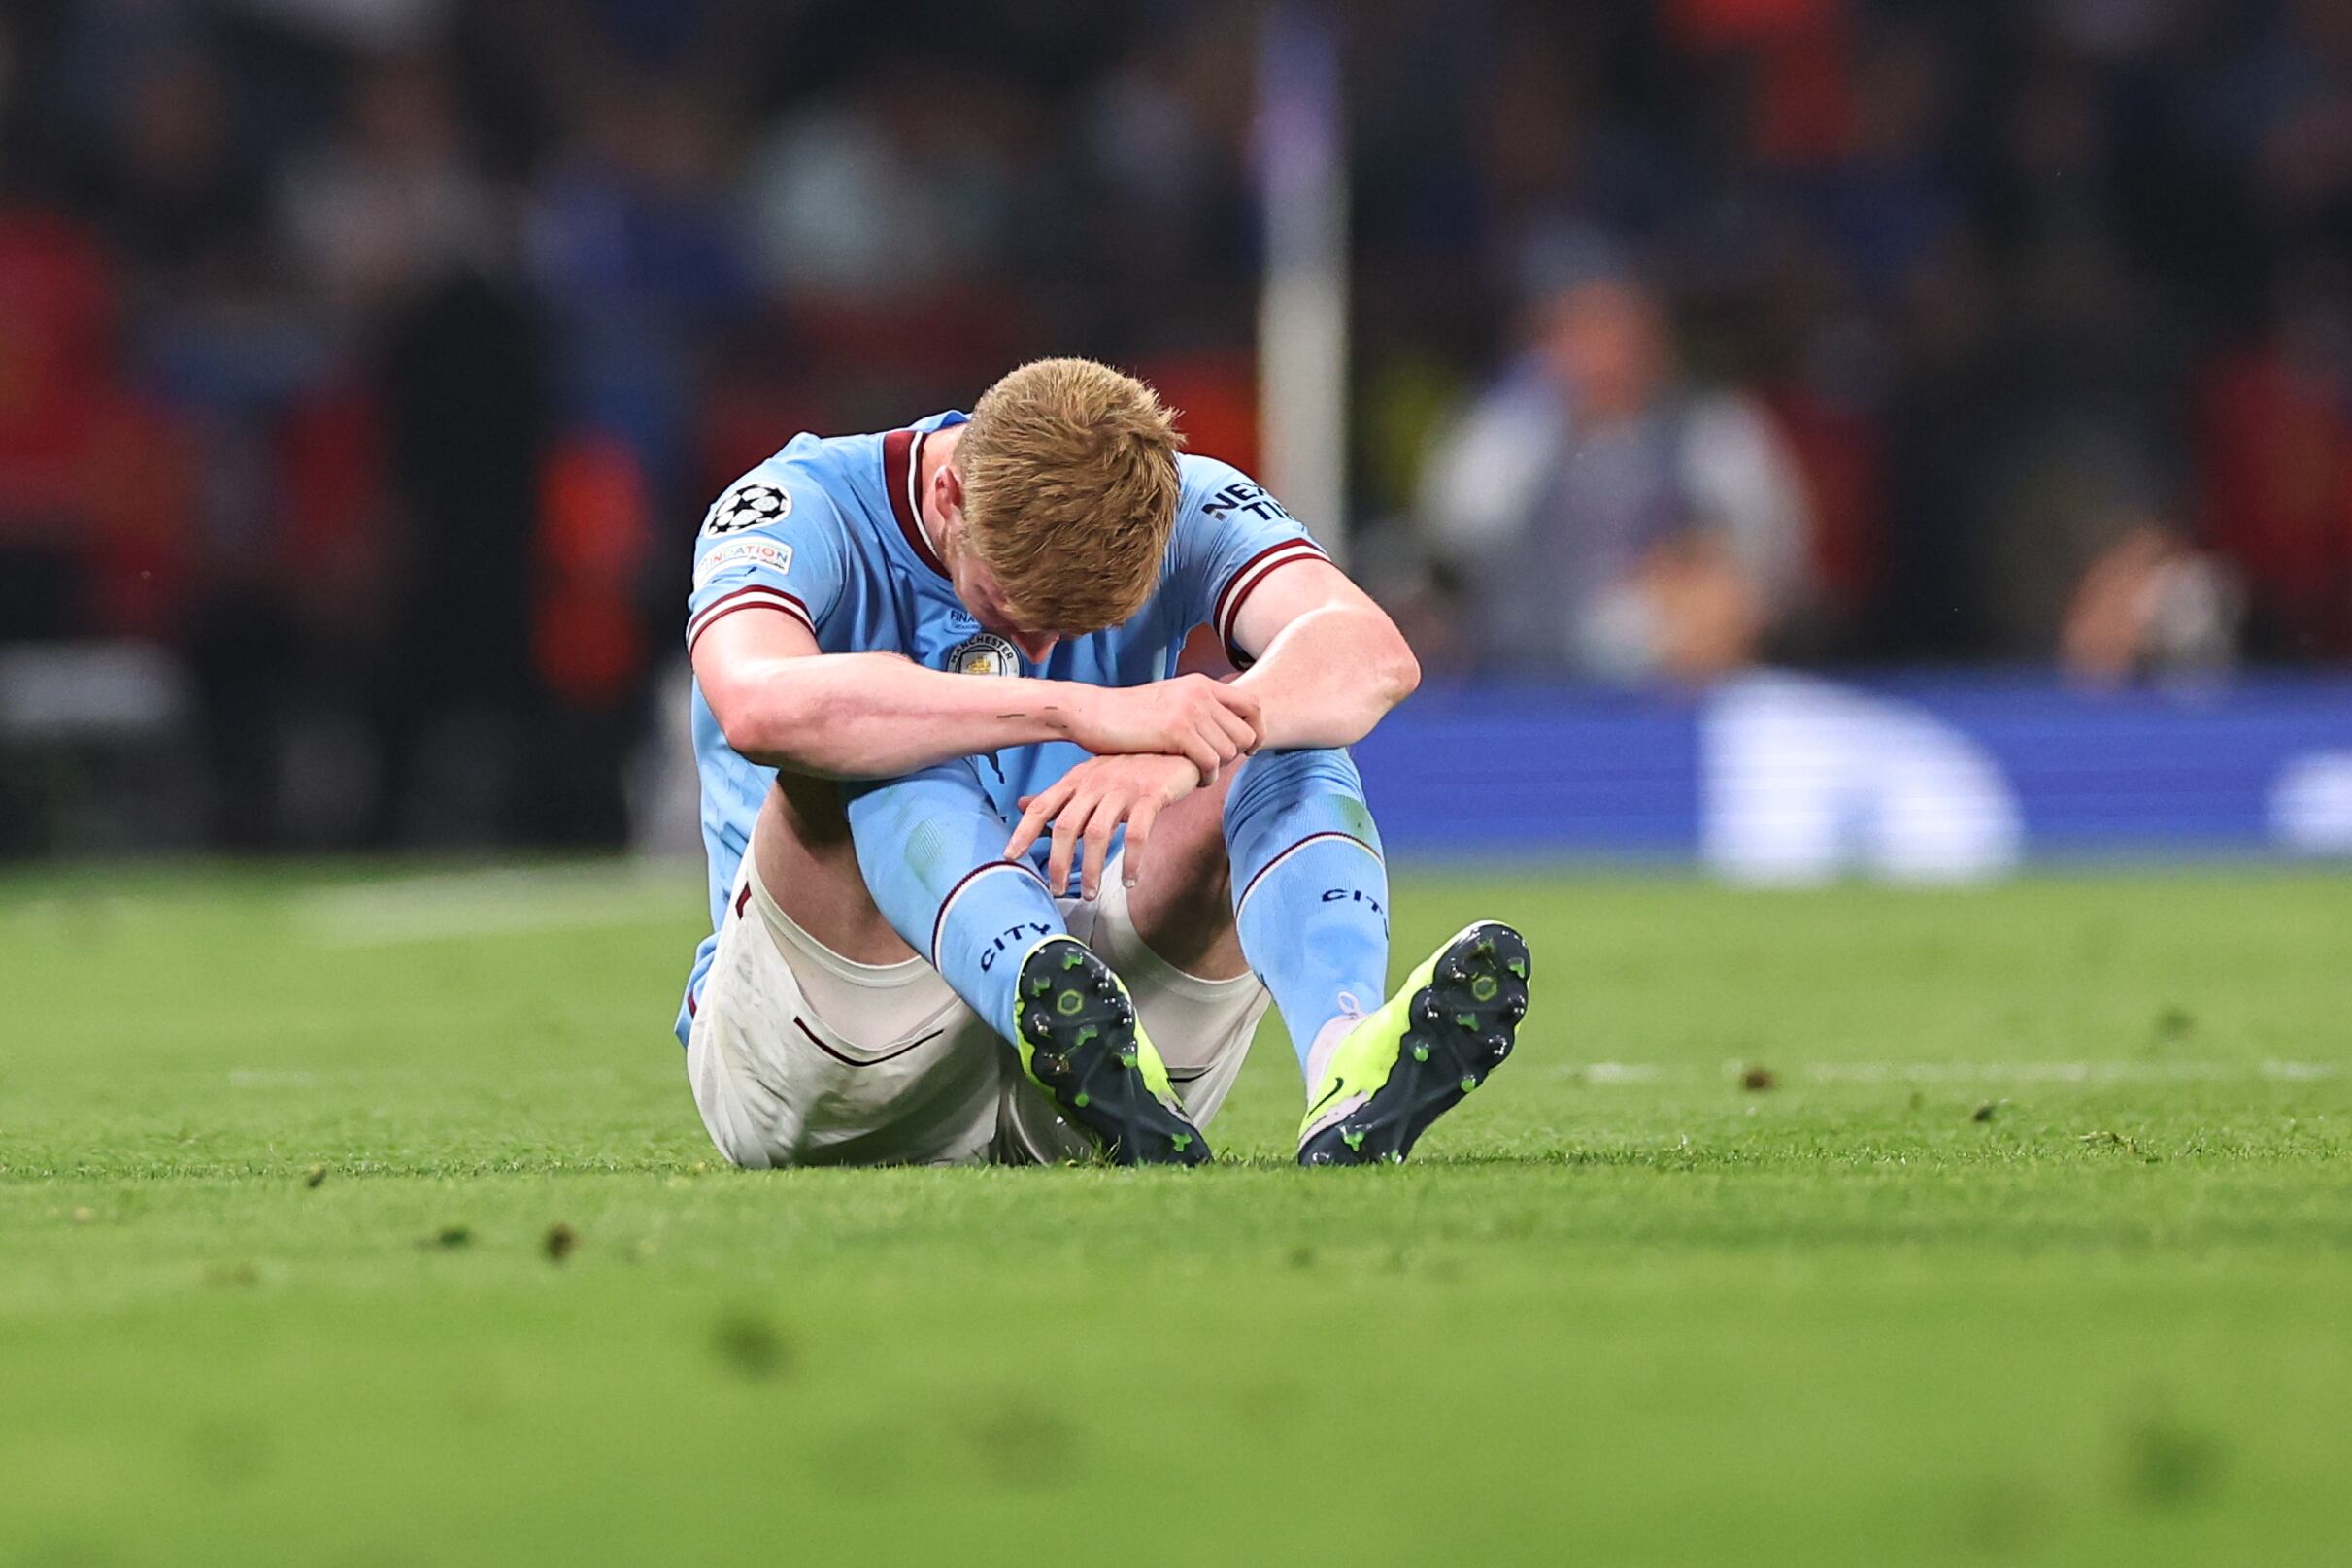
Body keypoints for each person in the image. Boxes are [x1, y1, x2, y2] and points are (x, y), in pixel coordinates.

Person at [679, 358, 1530, 1168]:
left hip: (1105, 1047)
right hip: (837, 1049)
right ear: (950, 493)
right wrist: (1084, 709)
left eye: (1078, 628)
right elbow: (756, 701)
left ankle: (1345, 1057)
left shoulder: (1183, 501)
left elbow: (1373, 654)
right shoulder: (796, 504)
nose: (1038, 646)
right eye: (1012, 608)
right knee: (875, 741)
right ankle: (1026, 977)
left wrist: (1183, 754)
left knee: (1284, 736)